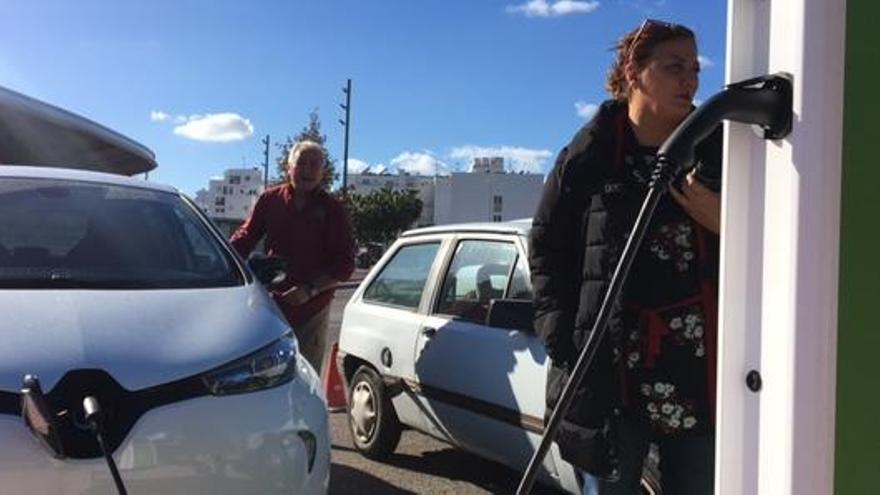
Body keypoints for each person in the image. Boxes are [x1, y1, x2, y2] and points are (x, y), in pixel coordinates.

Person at [529, 19, 722, 494]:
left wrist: (726, 221)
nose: (691, 80)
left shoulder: (718, 151)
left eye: (695, 69)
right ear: (634, 73)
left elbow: (773, 246)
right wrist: (563, 338)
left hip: (699, 377)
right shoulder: (589, 155)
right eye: (674, 66)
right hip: (609, 380)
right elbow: (545, 249)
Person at [231, 140, 355, 374]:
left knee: (304, 375)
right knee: (265, 374)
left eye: (314, 165)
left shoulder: (333, 210)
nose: (307, 170)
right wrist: (218, 260)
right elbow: (245, 238)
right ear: (289, 167)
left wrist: (310, 290)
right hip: (271, 305)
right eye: (301, 163)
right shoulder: (270, 200)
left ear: (322, 172)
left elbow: (345, 263)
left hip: (312, 309)